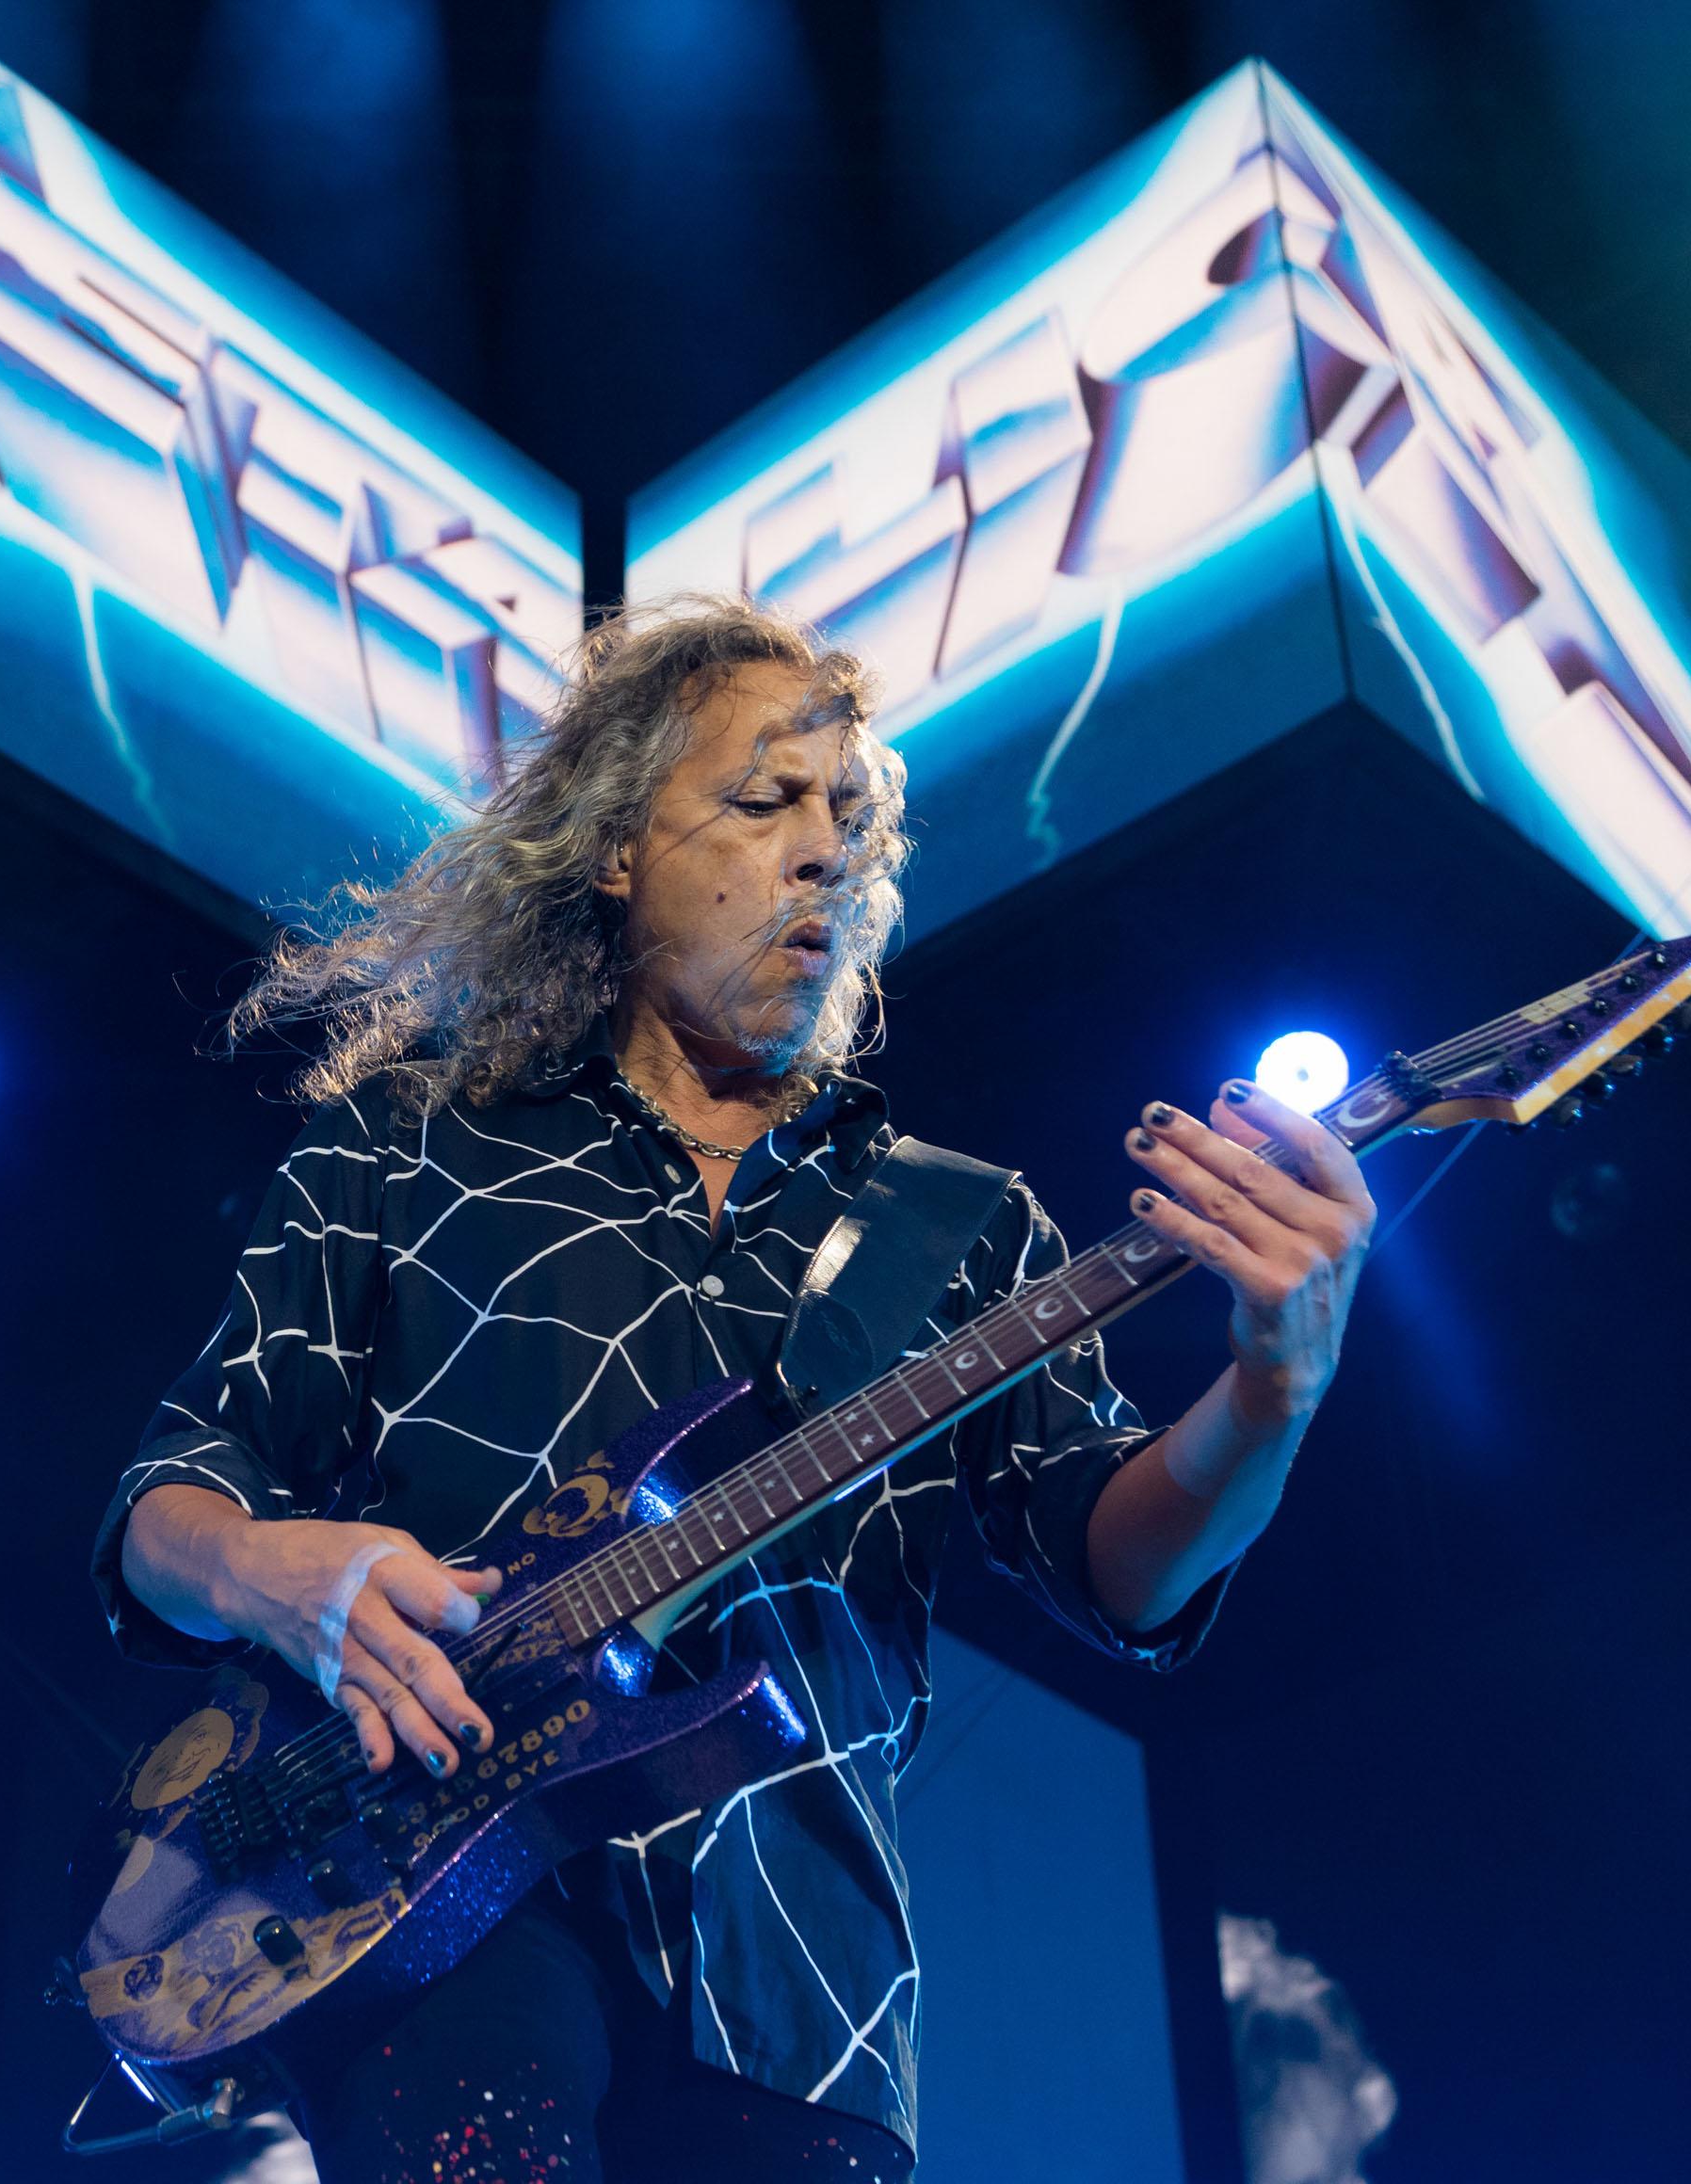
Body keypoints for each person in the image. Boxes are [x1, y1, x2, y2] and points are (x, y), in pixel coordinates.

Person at [93, 595, 1377, 2181]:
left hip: (806, 1986)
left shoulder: (959, 1224)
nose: (824, 852)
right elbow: (176, 1494)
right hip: (430, 1890)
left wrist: (1270, 1396)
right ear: (615, 849)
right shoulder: (410, 1145)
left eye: (849, 819)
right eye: (766, 801)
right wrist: (269, 1571)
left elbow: (1118, 1567)